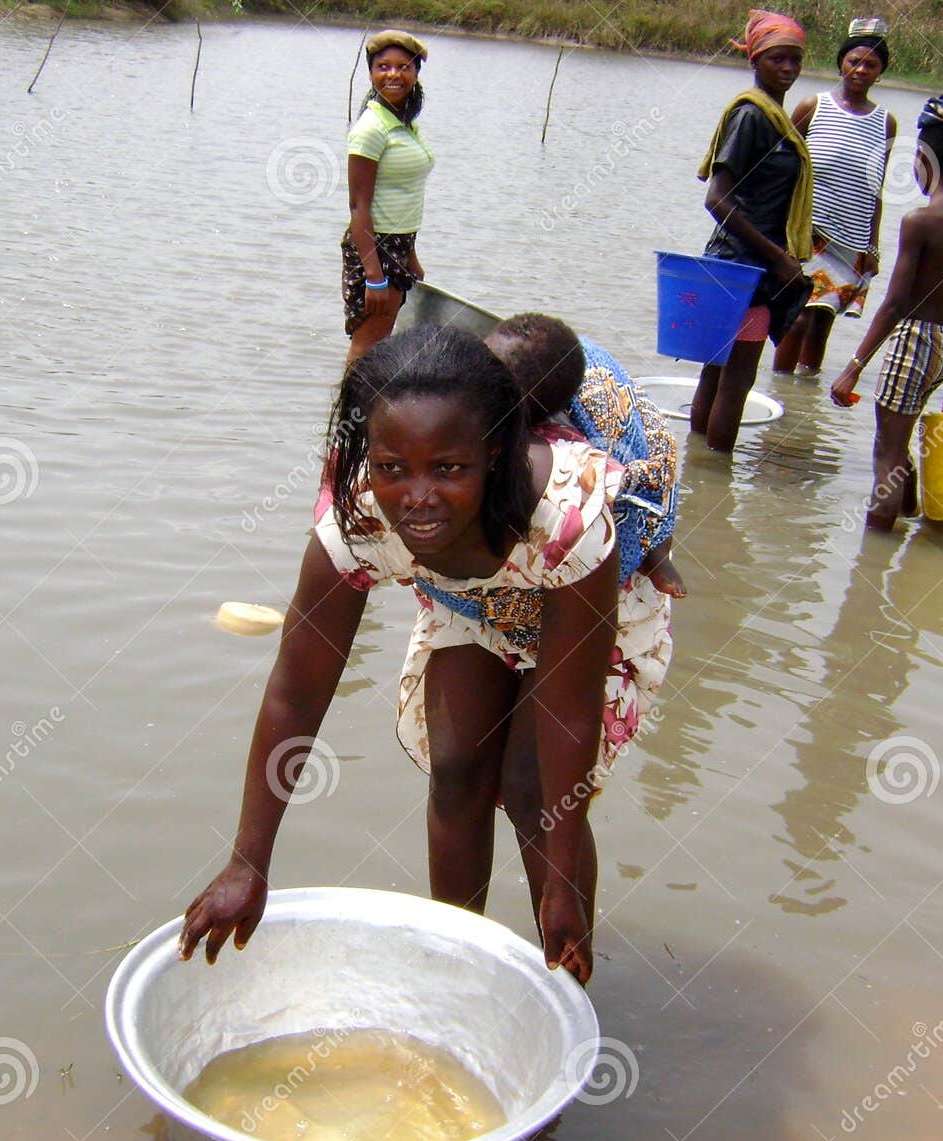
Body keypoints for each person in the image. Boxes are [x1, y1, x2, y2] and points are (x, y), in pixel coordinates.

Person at [179, 327, 675, 985]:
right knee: (458, 764)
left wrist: (562, 885)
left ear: (493, 451)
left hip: (573, 596)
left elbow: (570, 712)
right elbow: (295, 692)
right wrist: (248, 863)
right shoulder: (359, 516)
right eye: (393, 468)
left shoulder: (566, 514)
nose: (418, 497)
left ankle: (565, 968)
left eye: (449, 469)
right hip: (467, 598)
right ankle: (456, 971)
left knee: (532, 787)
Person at [829, 95, 943, 530]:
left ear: (922, 160)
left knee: (886, 450)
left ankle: (875, 545)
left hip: (915, 340)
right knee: (900, 437)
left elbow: (895, 304)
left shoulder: (920, 221)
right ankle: (910, 513)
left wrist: (854, 366)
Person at [483, 313, 687, 597]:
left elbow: (646, 478)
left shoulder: (601, 423)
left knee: (657, 458)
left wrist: (641, 546)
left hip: (629, 416)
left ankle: (656, 553)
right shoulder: (483, 368)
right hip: (560, 367)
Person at [690, 8, 815, 454]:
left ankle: (698, 467)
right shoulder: (753, 116)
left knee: (718, 374)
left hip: (742, 265)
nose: (788, 68)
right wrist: (778, 259)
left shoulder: (775, 117)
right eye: (777, 59)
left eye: (795, 60)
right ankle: (714, 479)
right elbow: (717, 199)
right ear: (755, 60)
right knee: (734, 381)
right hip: (744, 270)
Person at [771, 17, 897, 378]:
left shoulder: (885, 123)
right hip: (806, 234)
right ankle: (782, 391)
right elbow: (782, 168)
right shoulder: (813, 107)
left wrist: (872, 247)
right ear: (841, 63)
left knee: (822, 322)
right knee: (797, 318)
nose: (861, 70)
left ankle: (805, 387)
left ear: (880, 72)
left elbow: (876, 189)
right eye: (854, 62)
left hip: (851, 240)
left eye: (871, 65)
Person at [342, 30, 435, 364]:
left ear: (416, 74)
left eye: (403, 66)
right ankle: (351, 401)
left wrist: (410, 256)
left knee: (379, 344)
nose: (393, 74)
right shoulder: (371, 129)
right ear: (371, 73)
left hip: (397, 245)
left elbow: (402, 196)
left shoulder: (404, 125)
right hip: (375, 248)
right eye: (383, 66)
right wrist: (375, 277)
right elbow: (359, 206)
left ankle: (366, 398)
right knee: (368, 346)